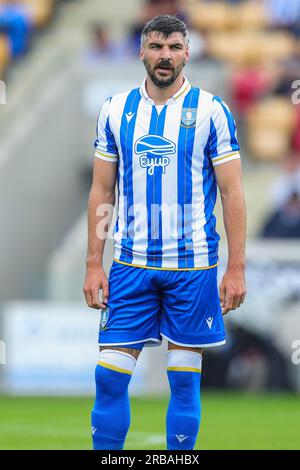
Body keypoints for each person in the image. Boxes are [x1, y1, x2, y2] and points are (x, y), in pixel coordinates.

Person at [83, 15, 247, 451]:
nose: (165, 56)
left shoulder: (212, 112)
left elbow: (232, 193)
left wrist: (236, 268)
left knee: (183, 381)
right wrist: (93, 264)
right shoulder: (115, 110)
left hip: (191, 267)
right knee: (108, 377)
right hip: (130, 264)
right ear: (141, 51)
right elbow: (102, 189)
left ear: (187, 52)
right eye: (156, 46)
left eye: (174, 47)